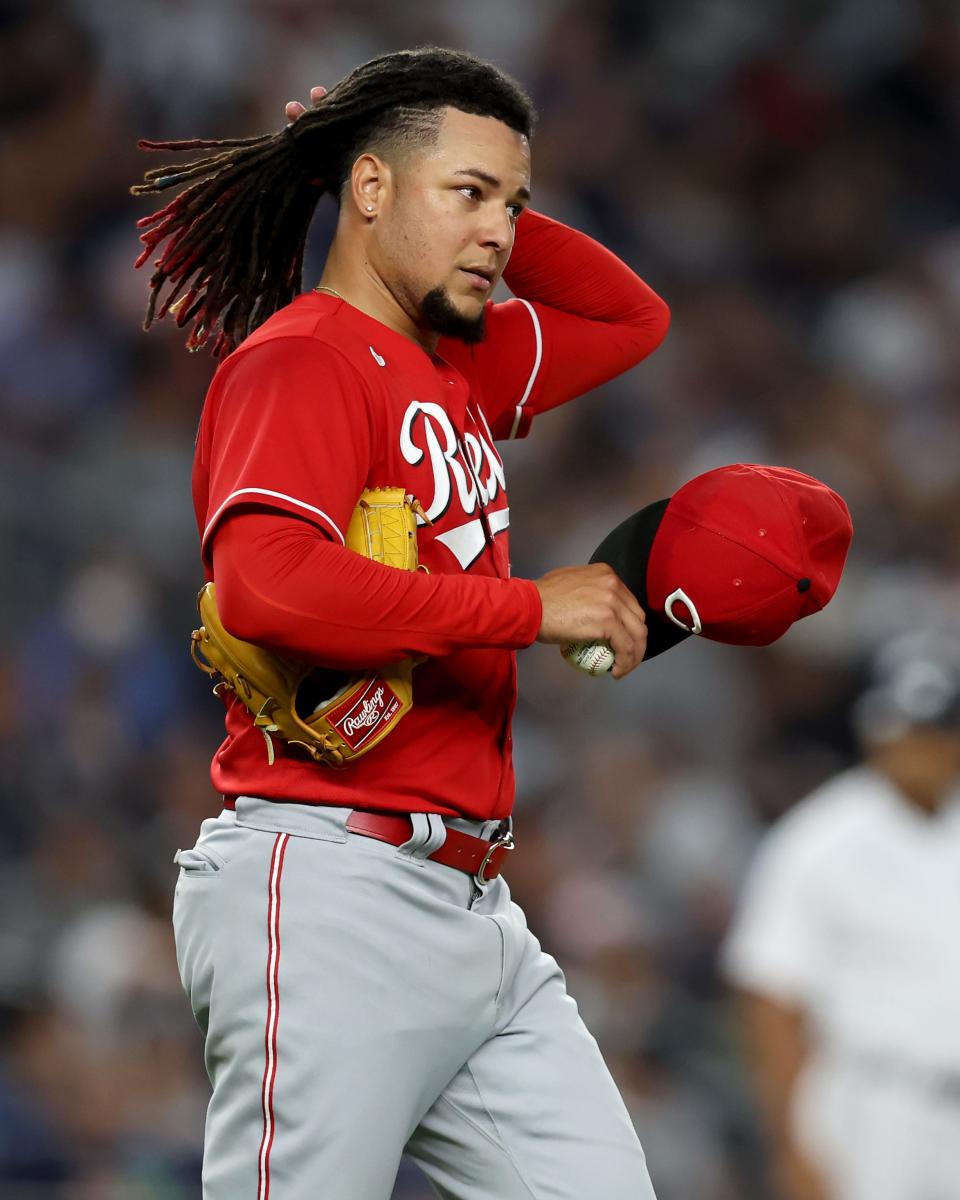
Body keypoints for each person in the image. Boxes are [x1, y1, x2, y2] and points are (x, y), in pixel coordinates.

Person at [133, 48, 669, 1200]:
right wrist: (529, 609)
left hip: (475, 909)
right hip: (332, 887)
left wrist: (468, 167)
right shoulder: (303, 361)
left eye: (513, 205)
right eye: (466, 195)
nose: (501, 235)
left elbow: (633, 317)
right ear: (369, 191)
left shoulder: (455, 365)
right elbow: (265, 587)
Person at [721, 632, 960, 1200]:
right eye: (903, 731)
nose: (917, 748)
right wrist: (790, 1146)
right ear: (871, 731)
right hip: (874, 1106)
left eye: (934, 733)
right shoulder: (816, 840)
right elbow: (771, 1002)